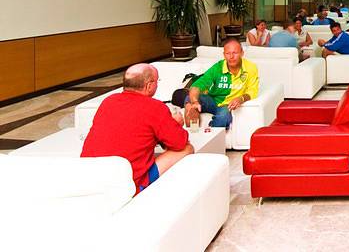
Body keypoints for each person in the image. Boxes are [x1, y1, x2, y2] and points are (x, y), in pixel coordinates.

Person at [81, 63, 194, 192]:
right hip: (126, 185)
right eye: (157, 81)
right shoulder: (155, 107)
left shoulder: (108, 101)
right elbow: (179, 143)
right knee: (187, 149)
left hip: (89, 177)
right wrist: (175, 124)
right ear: (149, 86)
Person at [184, 38, 258, 129]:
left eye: (235, 53)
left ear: (242, 53)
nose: (231, 56)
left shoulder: (250, 68)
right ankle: (193, 132)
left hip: (226, 105)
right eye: (228, 53)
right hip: (212, 100)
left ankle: (210, 133)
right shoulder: (218, 68)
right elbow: (197, 85)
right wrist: (194, 102)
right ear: (224, 55)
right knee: (190, 100)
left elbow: (252, 91)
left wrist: (241, 98)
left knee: (224, 118)